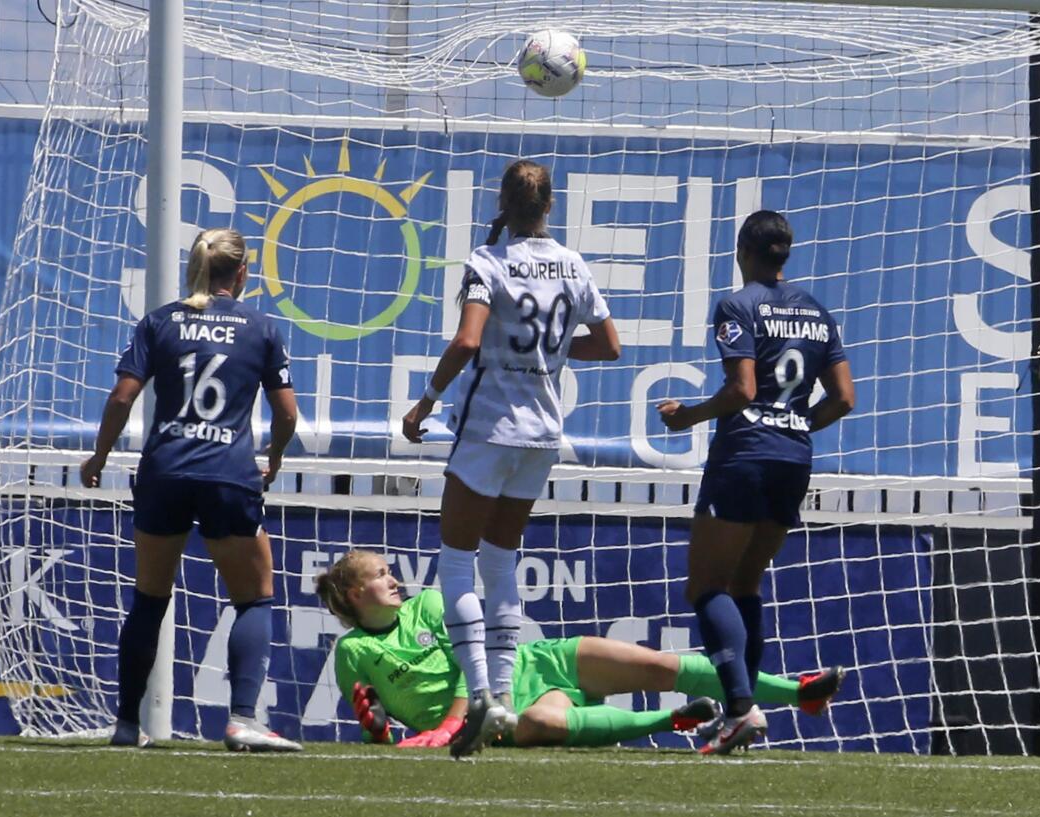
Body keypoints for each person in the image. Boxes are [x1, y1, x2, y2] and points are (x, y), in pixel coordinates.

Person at [402, 159, 621, 757]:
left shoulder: (487, 260)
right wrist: (552, 348)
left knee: (455, 562)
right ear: (550, 206)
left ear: (503, 203)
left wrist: (425, 401)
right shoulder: (573, 264)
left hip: (489, 426)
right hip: (543, 433)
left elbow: (468, 339)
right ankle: (500, 698)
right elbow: (608, 344)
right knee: (501, 562)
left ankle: (480, 694)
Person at [81, 228, 301, 752]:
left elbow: (121, 397)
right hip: (228, 472)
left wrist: (101, 454)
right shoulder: (261, 327)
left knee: (150, 598)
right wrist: (273, 456)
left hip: (165, 472)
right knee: (253, 599)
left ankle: (127, 725)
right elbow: (287, 412)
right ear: (242, 273)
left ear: (194, 267)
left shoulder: (159, 321)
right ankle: (243, 718)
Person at [657, 210, 855, 755]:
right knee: (744, 586)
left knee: (705, 588)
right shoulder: (818, 311)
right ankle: (738, 709)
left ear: (743, 249)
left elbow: (742, 390)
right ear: (784, 254)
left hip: (744, 454)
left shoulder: (738, 304)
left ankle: (742, 710)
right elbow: (844, 399)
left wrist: (687, 416)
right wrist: (794, 423)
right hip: (794, 458)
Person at [316, 550, 843, 749]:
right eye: (380, 575)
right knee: (543, 726)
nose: (393, 580)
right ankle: (671, 722)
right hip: (505, 715)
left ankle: (798, 694)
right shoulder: (353, 653)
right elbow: (375, 727)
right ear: (354, 594)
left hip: (531, 665)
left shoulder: (431, 603)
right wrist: (378, 728)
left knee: (659, 664)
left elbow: (469, 674)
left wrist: (456, 723)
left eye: (389, 571)